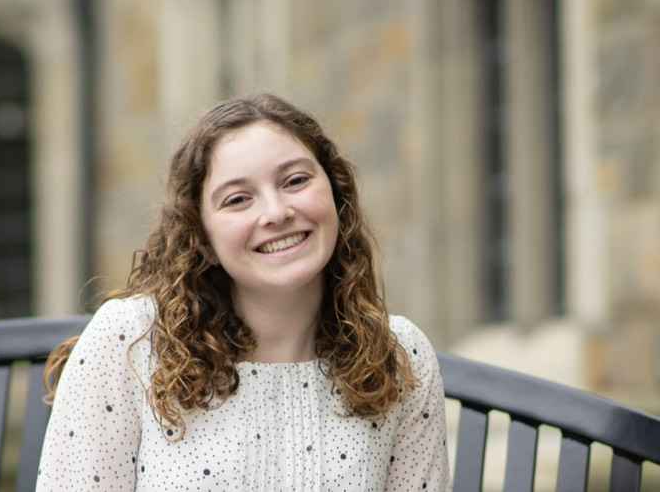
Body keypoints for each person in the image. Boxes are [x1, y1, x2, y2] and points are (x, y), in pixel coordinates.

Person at [36, 94, 450, 491]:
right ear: (201, 237)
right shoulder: (131, 342)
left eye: (295, 180)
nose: (276, 213)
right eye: (237, 199)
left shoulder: (400, 357)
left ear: (337, 195)